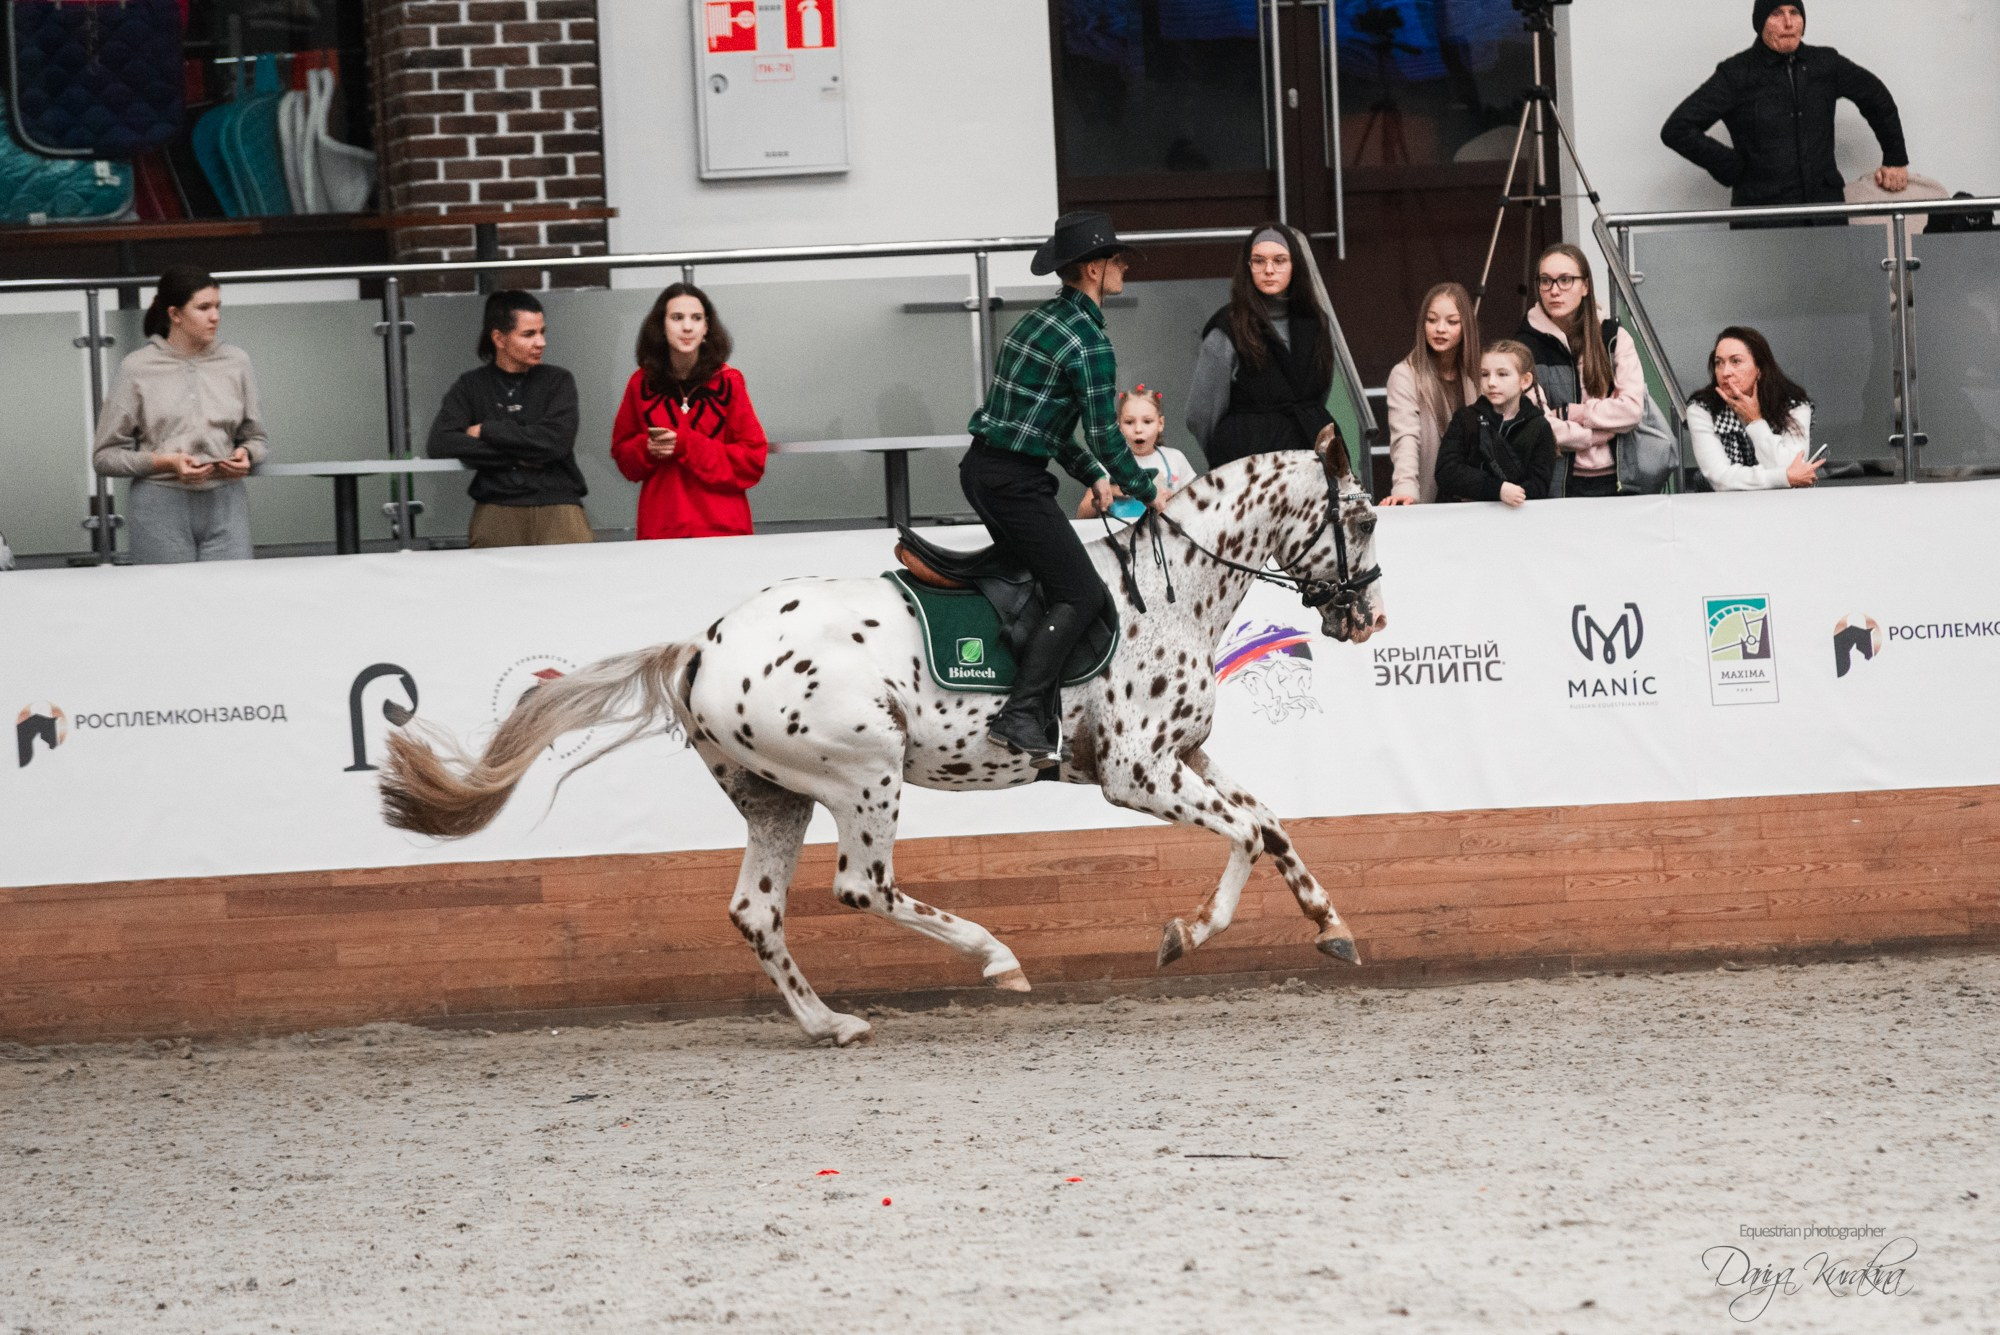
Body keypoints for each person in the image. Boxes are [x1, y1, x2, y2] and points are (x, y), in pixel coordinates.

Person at [963, 210, 1164, 766]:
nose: (1124, 267)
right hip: (1015, 483)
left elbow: (1041, 427)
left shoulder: (1037, 322)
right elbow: (1104, 433)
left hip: (984, 470)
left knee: (1050, 580)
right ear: (1094, 269)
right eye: (1116, 259)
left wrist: (1092, 474)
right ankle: (1021, 713)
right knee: (1081, 593)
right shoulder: (1089, 342)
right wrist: (1146, 490)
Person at [1661, 2, 1908, 216]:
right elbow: (1678, 129)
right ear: (1761, 22)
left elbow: (1876, 97)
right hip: (1763, 217)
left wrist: (1895, 158)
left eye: (1794, 12)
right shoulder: (1737, 73)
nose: (1788, 23)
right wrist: (1733, 167)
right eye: (1776, 14)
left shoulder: (1825, 64)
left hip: (1825, 212)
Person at [91, 265, 266, 564]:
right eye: (204, 307)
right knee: (167, 594)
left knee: (233, 591)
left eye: (218, 306)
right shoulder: (137, 368)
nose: (215, 316)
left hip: (227, 503)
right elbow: (104, 457)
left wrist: (246, 454)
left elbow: (257, 438)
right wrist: (165, 462)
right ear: (175, 314)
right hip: (159, 506)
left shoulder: (237, 362)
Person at [426, 291, 591, 548]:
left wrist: (487, 430)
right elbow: (441, 443)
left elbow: (556, 443)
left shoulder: (557, 380)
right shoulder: (471, 385)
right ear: (499, 338)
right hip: (497, 510)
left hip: (559, 507)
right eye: (528, 334)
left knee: (572, 574)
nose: (541, 342)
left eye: (542, 332)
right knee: (491, 576)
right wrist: (522, 454)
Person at [611, 283, 769, 540]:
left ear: (706, 327)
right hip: (661, 531)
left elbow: (752, 462)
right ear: (661, 326)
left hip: (723, 532)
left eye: (696, 318)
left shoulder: (729, 382)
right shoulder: (640, 383)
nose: (687, 327)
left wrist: (687, 444)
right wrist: (646, 448)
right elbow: (623, 458)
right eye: (677, 318)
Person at [1185, 222, 1339, 468]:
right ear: (1248, 267)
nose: (1269, 270)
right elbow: (1201, 415)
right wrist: (1225, 457)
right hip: (1248, 464)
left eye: (1279, 260)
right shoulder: (1228, 326)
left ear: (1295, 265)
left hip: (1309, 459)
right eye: (1259, 261)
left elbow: (1318, 394)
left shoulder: (1316, 322)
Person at [1516, 244, 1645, 499]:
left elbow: (1632, 409)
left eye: (1565, 280)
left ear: (1585, 286)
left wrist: (1572, 413)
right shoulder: (1523, 347)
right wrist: (1598, 434)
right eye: (1546, 281)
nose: (1554, 290)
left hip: (1617, 481)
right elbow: (1539, 427)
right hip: (1556, 484)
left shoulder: (1614, 337)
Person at [1687, 326, 1823, 491]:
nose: (1725, 372)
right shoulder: (1702, 408)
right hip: (1722, 504)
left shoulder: (1793, 405)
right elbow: (1721, 478)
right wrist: (1781, 477)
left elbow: (1792, 467)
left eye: (1736, 361)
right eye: (1719, 363)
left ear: (1759, 368)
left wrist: (1755, 421)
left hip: (1783, 504)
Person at [1382, 282, 1480, 504]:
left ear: (1466, 326)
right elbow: (1405, 437)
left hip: (1475, 501)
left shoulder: (1477, 374)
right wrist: (1405, 487)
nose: (1440, 329)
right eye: (1432, 320)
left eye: (1452, 321)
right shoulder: (1405, 374)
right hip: (1430, 499)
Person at [1434, 341, 1557, 506]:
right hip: (1465, 517)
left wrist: (1506, 493)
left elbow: (1539, 486)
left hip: (1515, 517)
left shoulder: (1539, 427)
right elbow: (1446, 471)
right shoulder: (1465, 419)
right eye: (1484, 374)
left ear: (1525, 380)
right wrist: (1497, 489)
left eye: (1502, 374)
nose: (1491, 382)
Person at [1075, 385, 1197, 518]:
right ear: (1119, 426)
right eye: (1129, 422)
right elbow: (1082, 516)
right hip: (1122, 531)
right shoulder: (1108, 464)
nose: (1138, 429)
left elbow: (1196, 507)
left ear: (1160, 424)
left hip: (1165, 530)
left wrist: (1174, 499)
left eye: (1147, 421)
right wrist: (1109, 491)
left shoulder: (1175, 458)